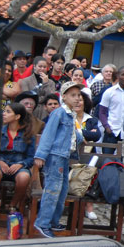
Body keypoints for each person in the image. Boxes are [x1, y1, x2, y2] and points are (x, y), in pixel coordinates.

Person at [33, 81, 84, 238]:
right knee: (52, 190)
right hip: (55, 156)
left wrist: (82, 137)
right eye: (72, 95)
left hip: (64, 157)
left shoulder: (70, 115)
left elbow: (72, 134)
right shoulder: (58, 113)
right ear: (64, 97)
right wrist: (41, 155)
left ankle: (53, 221)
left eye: (79, 95)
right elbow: (48, 135)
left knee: (61, 191)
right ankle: (42, 223)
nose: (77, 98)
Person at [0, 103, 36, 211]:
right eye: (4, 111)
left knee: (24, 177)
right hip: (1, 164)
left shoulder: (28, 134)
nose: (4, 114)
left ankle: (12, 205)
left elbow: (31, 157)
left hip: (19, 165)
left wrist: (21, 164)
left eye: (8, 112)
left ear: (17, 116)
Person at [73, 90, 102, 220]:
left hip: (88, 155)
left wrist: (77, 132)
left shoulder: (91, 120)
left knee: (92, 170)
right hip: (71, 154)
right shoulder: (68, 116)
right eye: (76, 99)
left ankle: (88, 206)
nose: (78, 102)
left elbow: (96, 136)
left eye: (81, 100)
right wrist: (84, 133)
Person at [98, 66, 124, 154]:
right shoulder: (109, 92)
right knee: (107, 159)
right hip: (111, 132)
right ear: (118, 76)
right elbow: (102, 112)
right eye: (123, 75)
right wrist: (107, 127)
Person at [20, 56, 57, 120]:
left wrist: (46, 83)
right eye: (40, 66)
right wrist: (43, 98)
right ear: (34, 66)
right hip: (32, 111)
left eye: (44, 67)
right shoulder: (26, 81)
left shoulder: (51, 82)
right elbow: (27, 97)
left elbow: (51, 98)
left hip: (45, 113)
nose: (42, 69)